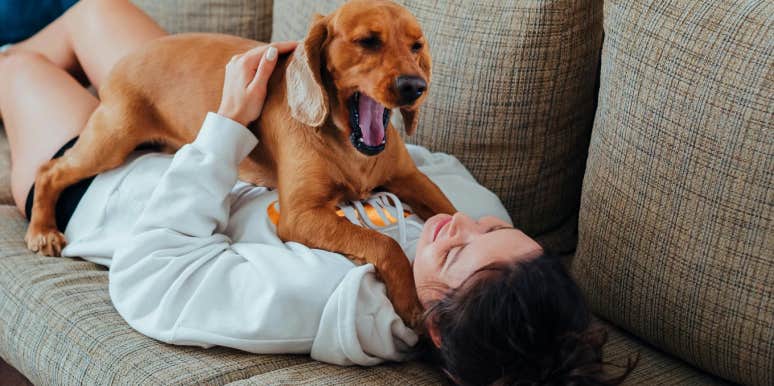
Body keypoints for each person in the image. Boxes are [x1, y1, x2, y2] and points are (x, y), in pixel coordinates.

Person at [0, 0, 635, 384]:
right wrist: (303, 92)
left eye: (455, 252)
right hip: (220, 116)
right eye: (495, 229)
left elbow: (150, 278)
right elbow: (425, 171)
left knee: (18, 67)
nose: (464, 224)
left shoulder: (334, 301)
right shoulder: (487, 237)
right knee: (93, 12)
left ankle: (29, 172)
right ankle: (87, 105)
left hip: (114, 193)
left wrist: (225, 127)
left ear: (432, 325)